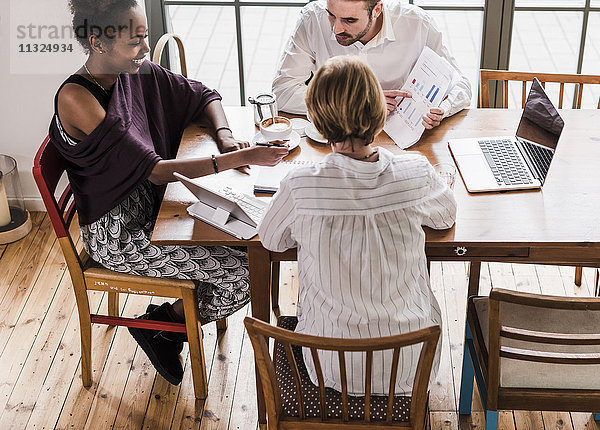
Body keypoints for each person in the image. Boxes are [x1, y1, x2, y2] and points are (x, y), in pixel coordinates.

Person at [50, 0, 289, 386]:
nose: (145, 50)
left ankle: (164, 326)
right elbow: (156, 171)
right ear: (98, 42)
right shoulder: (77, 99)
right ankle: (163, 325)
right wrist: (242, 158)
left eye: (144, 38)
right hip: (119, 234)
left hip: (156, 209)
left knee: (251, 247)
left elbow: (201, 94)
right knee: (245, 274)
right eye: (136, 42)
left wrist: (226, 139)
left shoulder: (133, 71)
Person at [258, 56, 456, 395]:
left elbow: (272, 240)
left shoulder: (301, 184)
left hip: (329, 365)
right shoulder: (416, 172)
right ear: (379, 116)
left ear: (318, 123)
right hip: (412, 364)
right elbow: (445, 216)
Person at [272, 0, 471, 129]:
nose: (335, 29)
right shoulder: (312, 19)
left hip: (402, 137)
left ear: (377, 10)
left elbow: (461, 86)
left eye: (349, 20)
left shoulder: (418, 24)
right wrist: (361, 104)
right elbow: (282, 92)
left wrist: (442, 110)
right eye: (331, 15)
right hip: (336, 140)